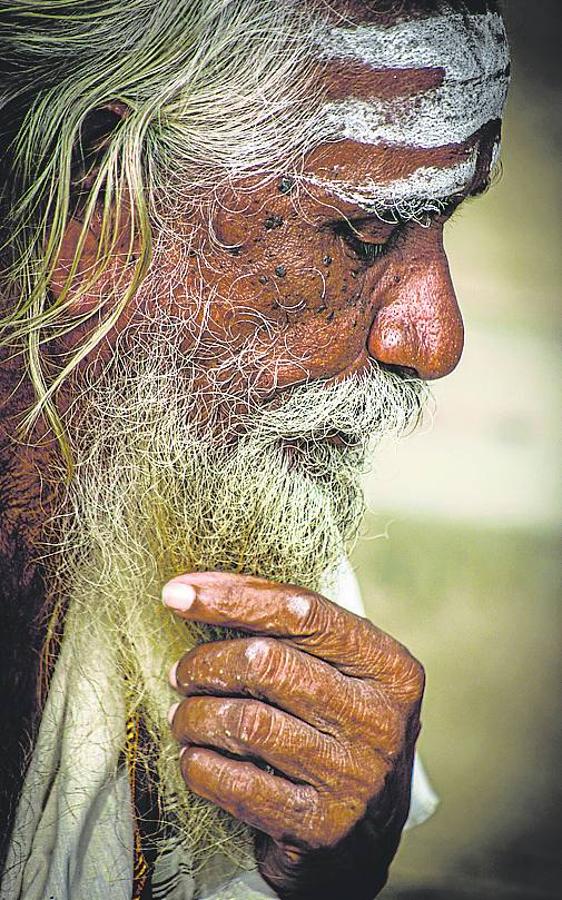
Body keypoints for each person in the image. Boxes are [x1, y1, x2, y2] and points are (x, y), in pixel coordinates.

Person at [0, 1, 509, 898]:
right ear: (100, 184)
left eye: (444, 224)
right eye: (366, 232)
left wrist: (330, 875)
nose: (433, 341)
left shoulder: (201, 485)